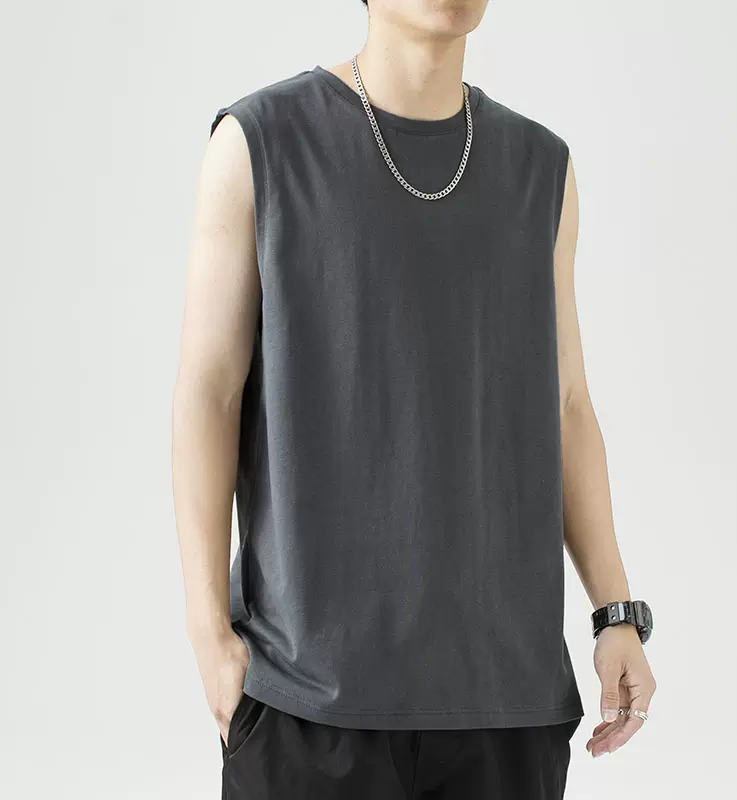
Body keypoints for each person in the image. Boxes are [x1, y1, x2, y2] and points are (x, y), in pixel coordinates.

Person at [172, 1, 657, 797]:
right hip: (304, 699)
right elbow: (208, 390)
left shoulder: (541, 168)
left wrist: (615, 613)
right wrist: (207, 633)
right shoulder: (259, 143)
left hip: (505, 705)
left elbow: (567, 404)